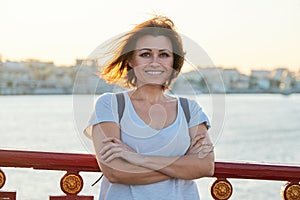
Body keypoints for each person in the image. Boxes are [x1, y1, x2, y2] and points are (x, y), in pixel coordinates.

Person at [84, 15, 214, 200]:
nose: (155, 62)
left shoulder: (189, 109)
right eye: (145, 54)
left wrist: (139, 159)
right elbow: (115, 171)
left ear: (173, 62)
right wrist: (183, 168)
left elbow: (205, 166)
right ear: (130, 60)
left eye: (164, 54)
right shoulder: (110, 105)